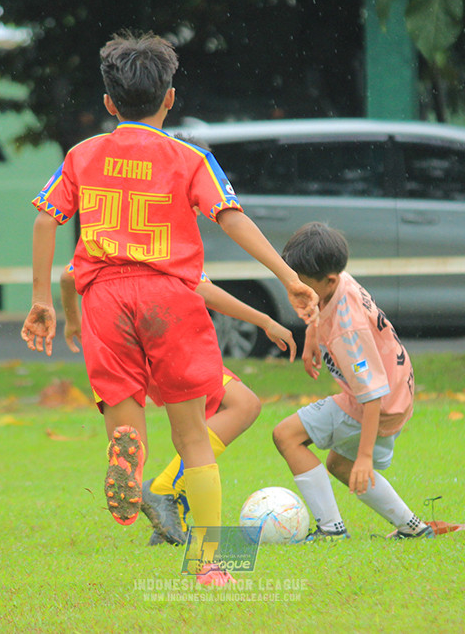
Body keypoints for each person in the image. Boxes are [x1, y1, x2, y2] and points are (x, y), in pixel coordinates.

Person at [20, 30, 318, 586]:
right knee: (193, 439)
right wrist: (288, 277)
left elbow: (44, 219)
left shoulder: (82, 155)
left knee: (125, 413)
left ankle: (125, 450)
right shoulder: (189, 158)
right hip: (170, 297)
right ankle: (209, 566)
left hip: (103, 296)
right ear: (170, 98)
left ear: (109, 104)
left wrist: (42, 302)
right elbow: (230, 217)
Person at [60, 262, 298, 545]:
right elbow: (204, 291)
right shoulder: (169, 241)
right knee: (230, 413)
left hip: (118, 333)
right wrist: (265, 320)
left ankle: (169, 507)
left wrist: (72, 319)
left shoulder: (106, 236)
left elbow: (67, 275)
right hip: (167, 340)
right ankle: (177, 508)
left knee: (227, 410)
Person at [272, 222, 434, 542]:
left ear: (328, 280)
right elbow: (320, 302)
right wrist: (312, 335)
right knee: (339, 465)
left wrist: (365, 455)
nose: (299, 290)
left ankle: (331, 530)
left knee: (286, 436)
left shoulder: (349, 332)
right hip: (398, 392)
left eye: (304, 284)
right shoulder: (339, 278)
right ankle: (413, 528)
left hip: (378, 402)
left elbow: (371, 394)